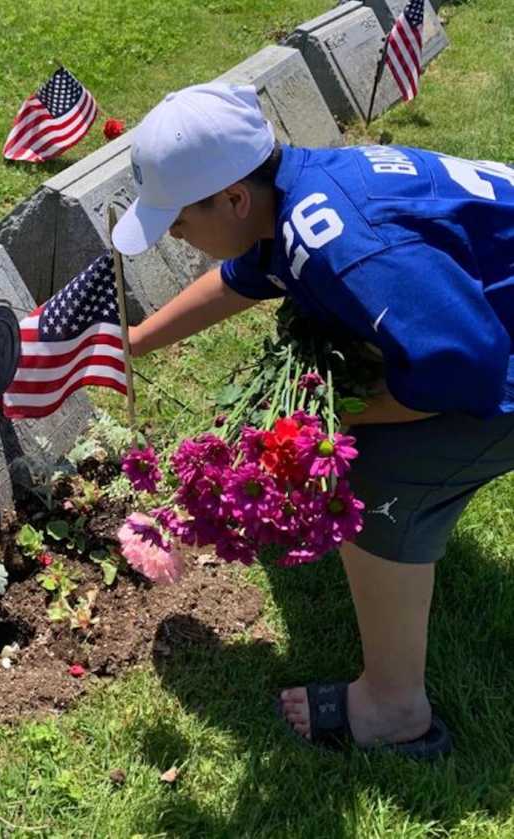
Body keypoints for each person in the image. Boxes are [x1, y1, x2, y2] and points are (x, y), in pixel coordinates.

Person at [112, 82, 514, 759]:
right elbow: (248, 273)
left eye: (178, 221)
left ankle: (393, 708)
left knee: (375, 470)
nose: (175, 236)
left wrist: (337, 426)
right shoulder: (299, 194)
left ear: (235, 198)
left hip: (489, 360)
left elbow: (470, 372)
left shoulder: (346, 245)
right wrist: (140, 338)